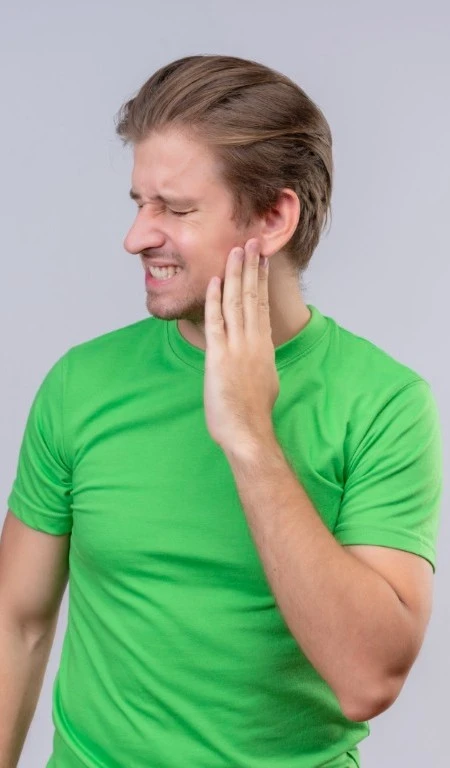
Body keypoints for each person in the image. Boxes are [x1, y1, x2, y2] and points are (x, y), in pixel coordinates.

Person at [1, 54, 443, 768]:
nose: (137, 236)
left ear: (273, 216)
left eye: (174, 210)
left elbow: (369, 679)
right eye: (138, 203)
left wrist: (249, 436)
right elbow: (16, 624)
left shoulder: (384, 405)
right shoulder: (81, 384)